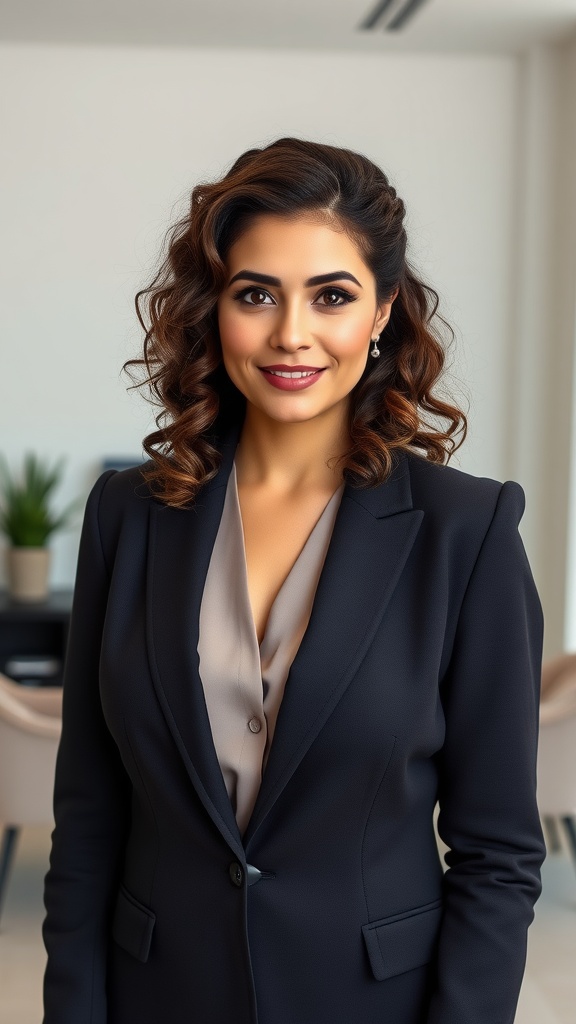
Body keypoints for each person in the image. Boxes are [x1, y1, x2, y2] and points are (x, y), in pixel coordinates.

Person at [42, 137, 546, 1024]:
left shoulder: (467, 533)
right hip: (159, 995)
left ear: (383, 311)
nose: (291, 335)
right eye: (256, 294)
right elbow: (88, 819)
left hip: (370, 1002)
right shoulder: (127, 514)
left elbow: (498, 853)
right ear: (214, 309)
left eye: (333, 296)